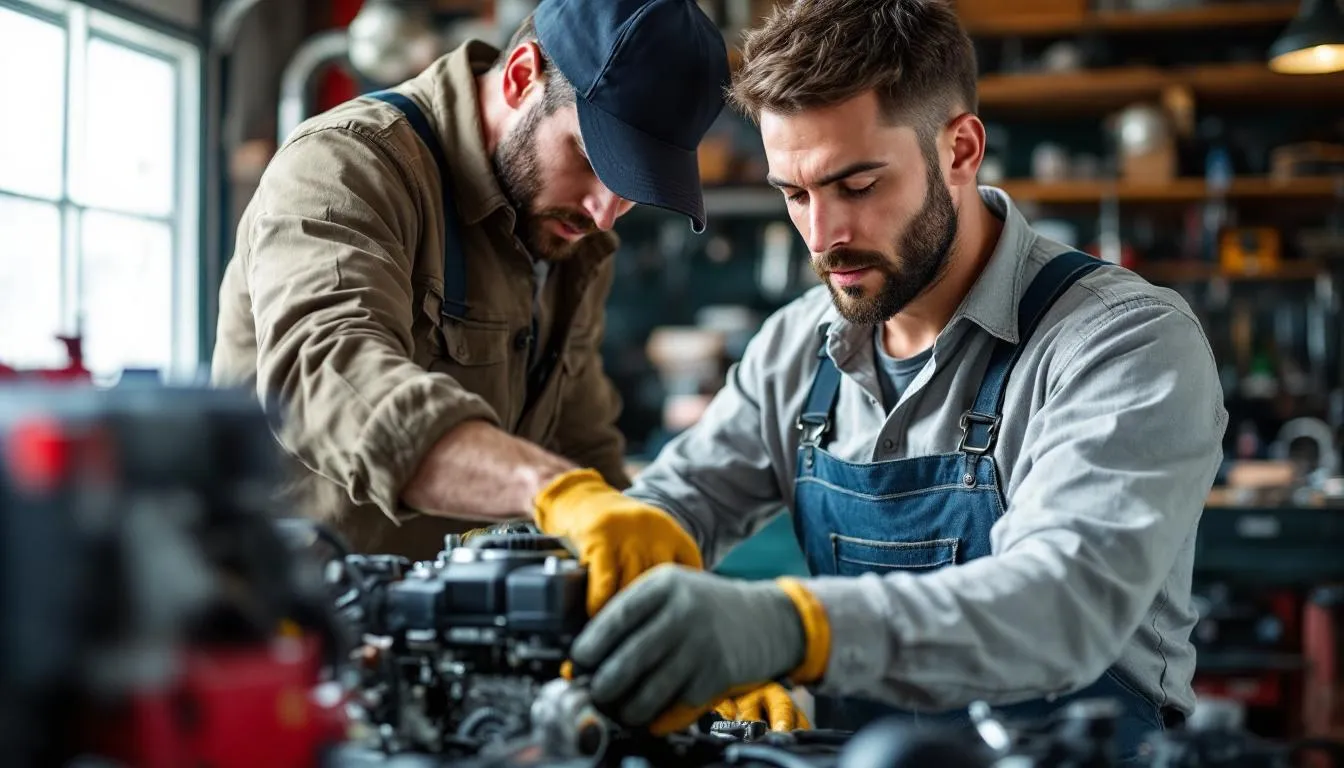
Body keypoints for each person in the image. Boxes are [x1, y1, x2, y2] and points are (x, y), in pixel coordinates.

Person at [565, 0, 1228, 755]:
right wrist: (624, 546)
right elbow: (684, 499)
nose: (822, 237)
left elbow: (1061, 603)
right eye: (795, 194)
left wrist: (792, 629)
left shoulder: (1122, 342)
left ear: (960, 150)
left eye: (857, 185)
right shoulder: (793, 349)